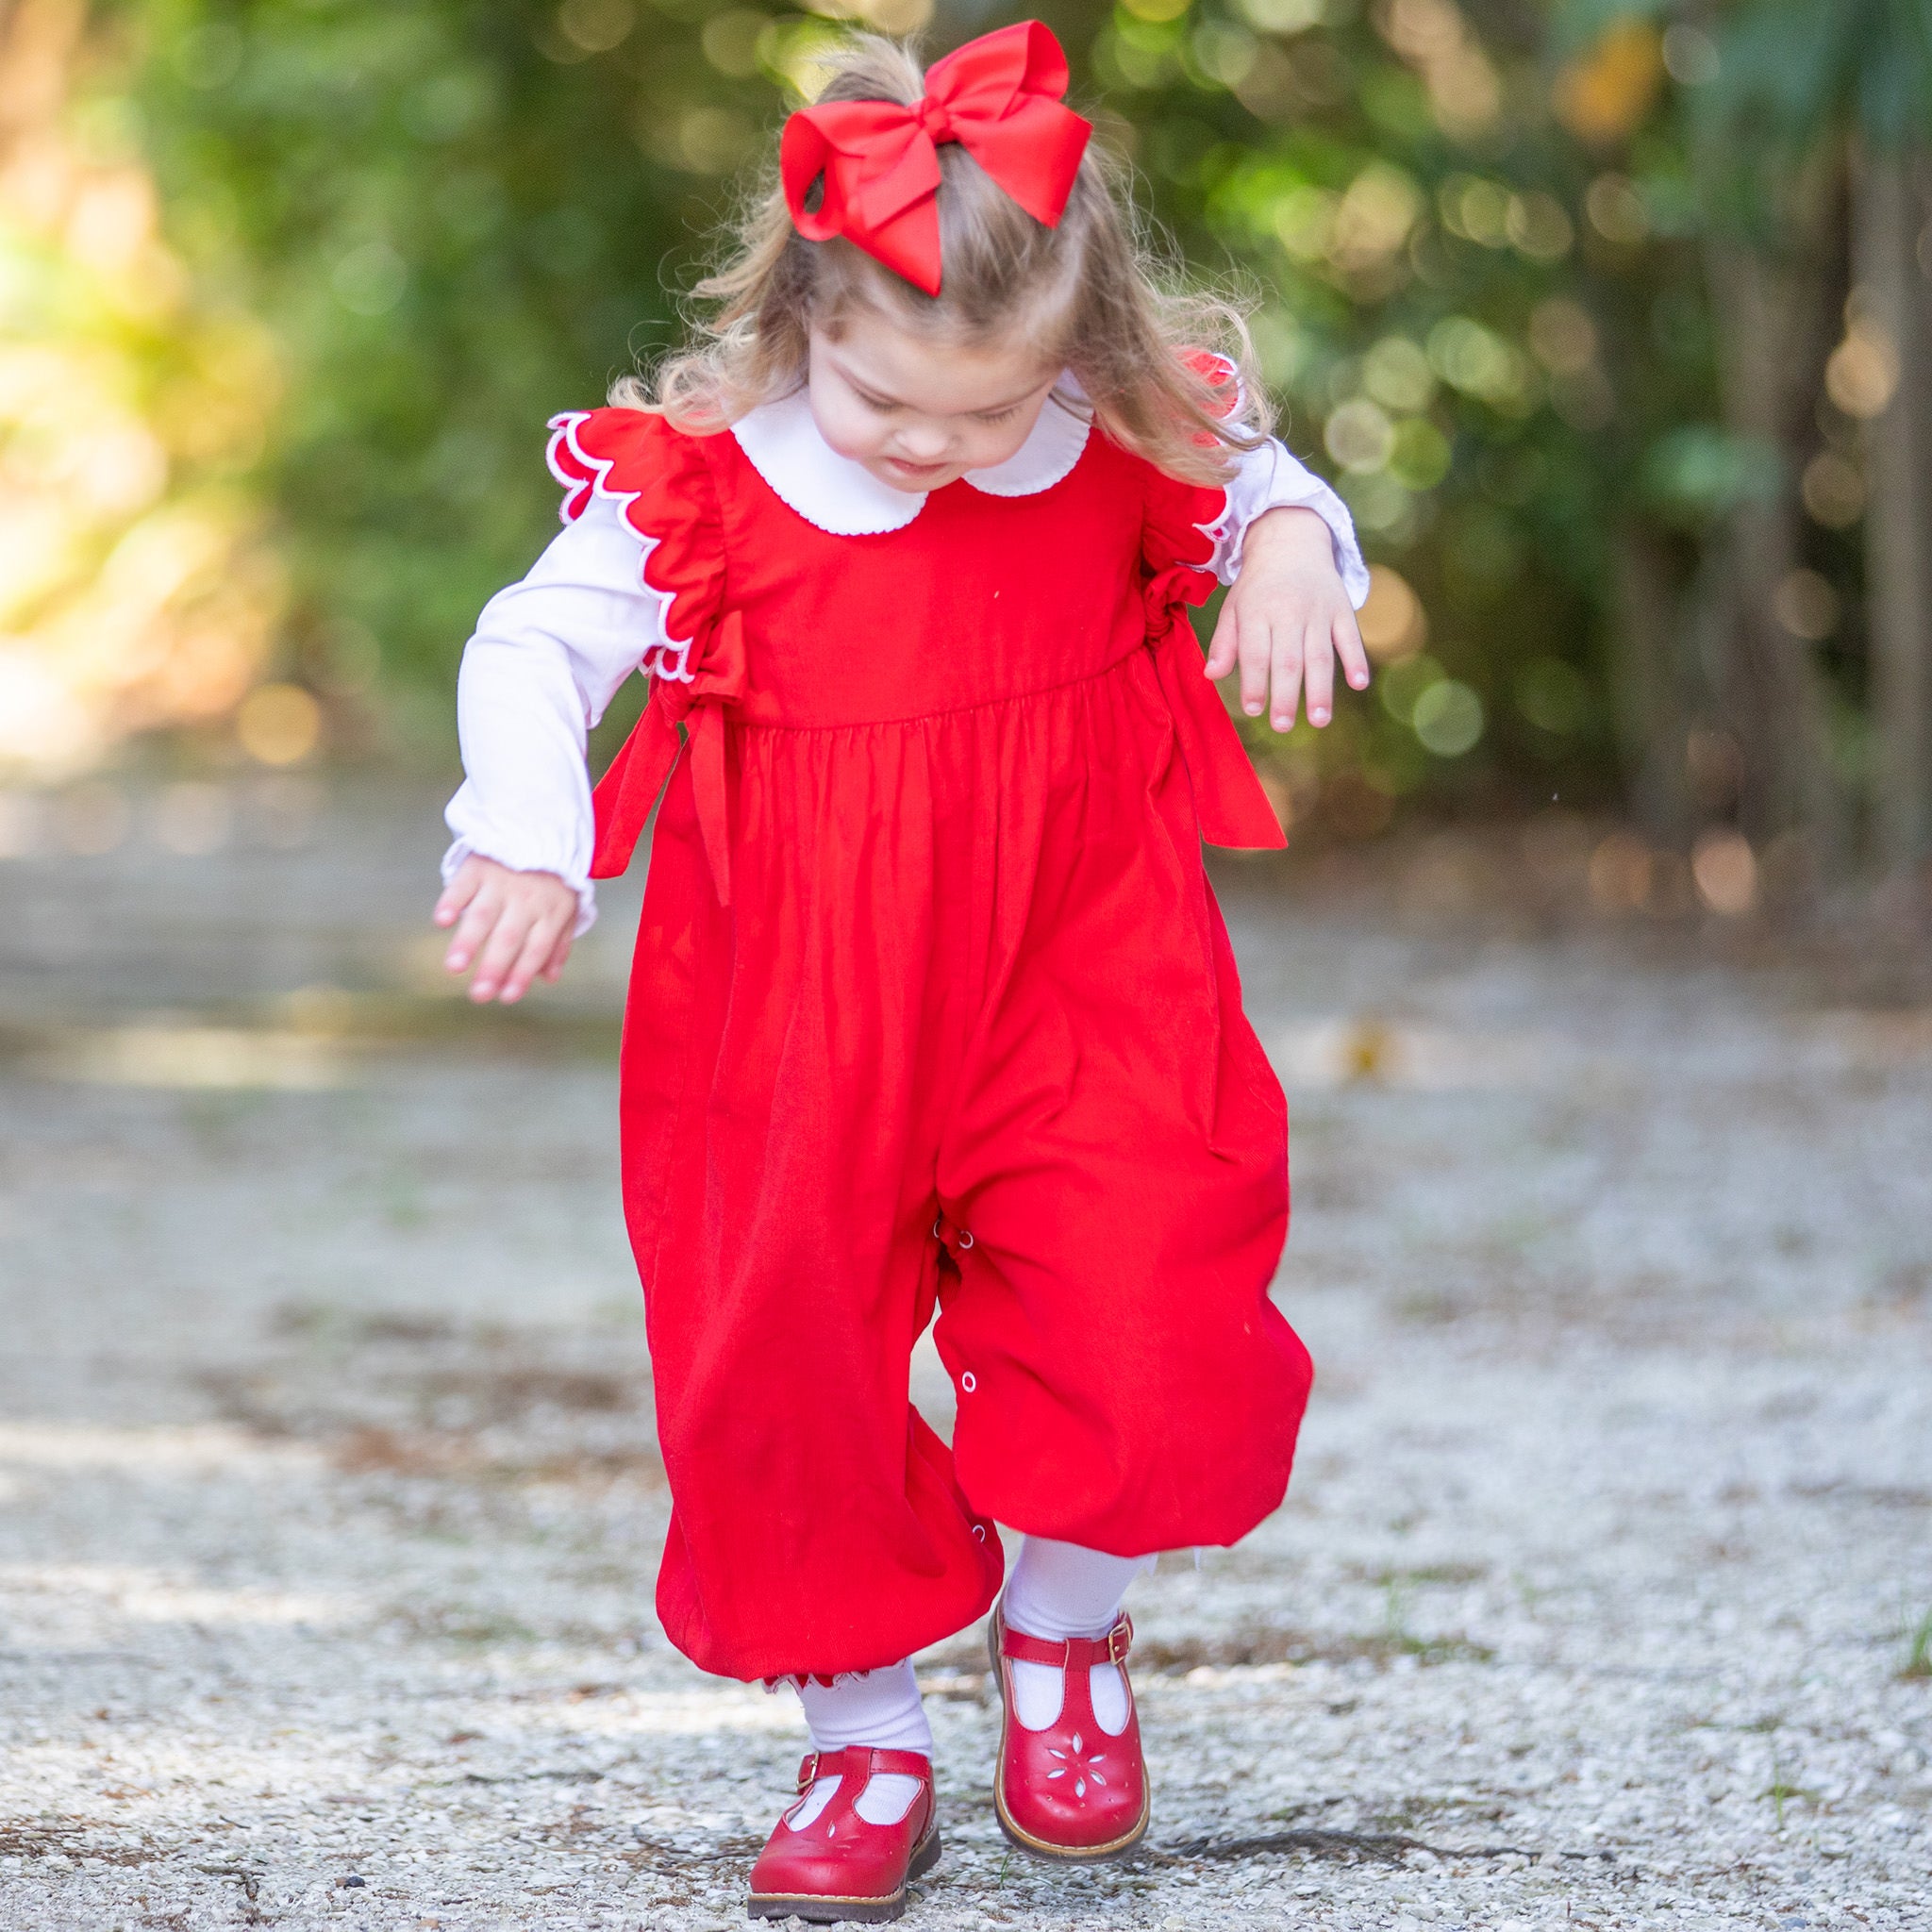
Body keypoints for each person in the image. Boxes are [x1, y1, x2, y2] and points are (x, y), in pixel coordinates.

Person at [433, 21, 1369, 1923]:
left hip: (1079, 970)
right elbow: (535, 646)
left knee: (1151, 1296)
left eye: (989, 408)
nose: (941, 448)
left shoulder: (1125, 432)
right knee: (781, 1357)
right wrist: (526, 829)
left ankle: (1064, 1632)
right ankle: (859, 1725)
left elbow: (1277, 491)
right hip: (786, 1006)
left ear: (1082, 348)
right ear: (801, 321)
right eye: (888, 409)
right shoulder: (702, 482)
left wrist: (1281, 543)